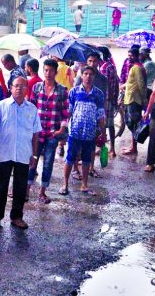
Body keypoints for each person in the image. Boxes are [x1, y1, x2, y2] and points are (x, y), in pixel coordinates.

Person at [0, 77, 41, 229]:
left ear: (27, 89)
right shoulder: (1, 105)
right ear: (11, 88)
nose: (19, 89)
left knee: (20, 187)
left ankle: (17, 217)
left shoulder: (32, 108)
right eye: (16, 86)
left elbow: (35, 133)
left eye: (22, 86)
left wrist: (34, 154)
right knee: (1, 187)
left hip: (24, 154)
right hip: (4, 153)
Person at [28, 59, 70, 204]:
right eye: (46, 70)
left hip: (53, 133)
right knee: (32, 160)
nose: (48, 73)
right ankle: (26, 190)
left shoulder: (62, 90)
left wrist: (62, 129)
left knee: (48, 163)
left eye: (51, 70)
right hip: (37, 133)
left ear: (56, 72)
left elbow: (65, 113)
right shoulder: (36, 88)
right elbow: (31, 109)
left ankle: (42, 192)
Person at [62, 66, 105, 196]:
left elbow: (101, 114)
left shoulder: (98, 94)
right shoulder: (74, 92)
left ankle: (84, 184)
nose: (88, 76)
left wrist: (103, 132)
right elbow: (68, 112)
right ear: (81, 75)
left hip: (90, 133)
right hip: (74, 131)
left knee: (87, 159)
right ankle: (65, 184)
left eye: (91, 74)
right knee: (70, 158)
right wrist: (63, 129)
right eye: (85, 73)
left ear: (94, 76)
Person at [121, 48, 147, 156]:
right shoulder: (136, 67)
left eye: (131, 55)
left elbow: (141, 85)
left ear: (137, 56)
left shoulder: (137, 68)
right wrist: (123, 86)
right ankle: (133, 146)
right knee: (132, 124)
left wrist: (144, 100)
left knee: (133, 124)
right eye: (128, 55)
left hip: (134, 100)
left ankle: (134, 148)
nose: (129, 57)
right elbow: (132, 83)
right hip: (131, 98)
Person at [97, 46, 120, 158]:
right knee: (109, 125)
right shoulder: (111, 66)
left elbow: (105, 86)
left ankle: (105, 148)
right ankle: (111, 148)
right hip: (110, 100)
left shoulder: (104, 68)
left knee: (104, 124)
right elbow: (116, 83)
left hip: (105, 100)